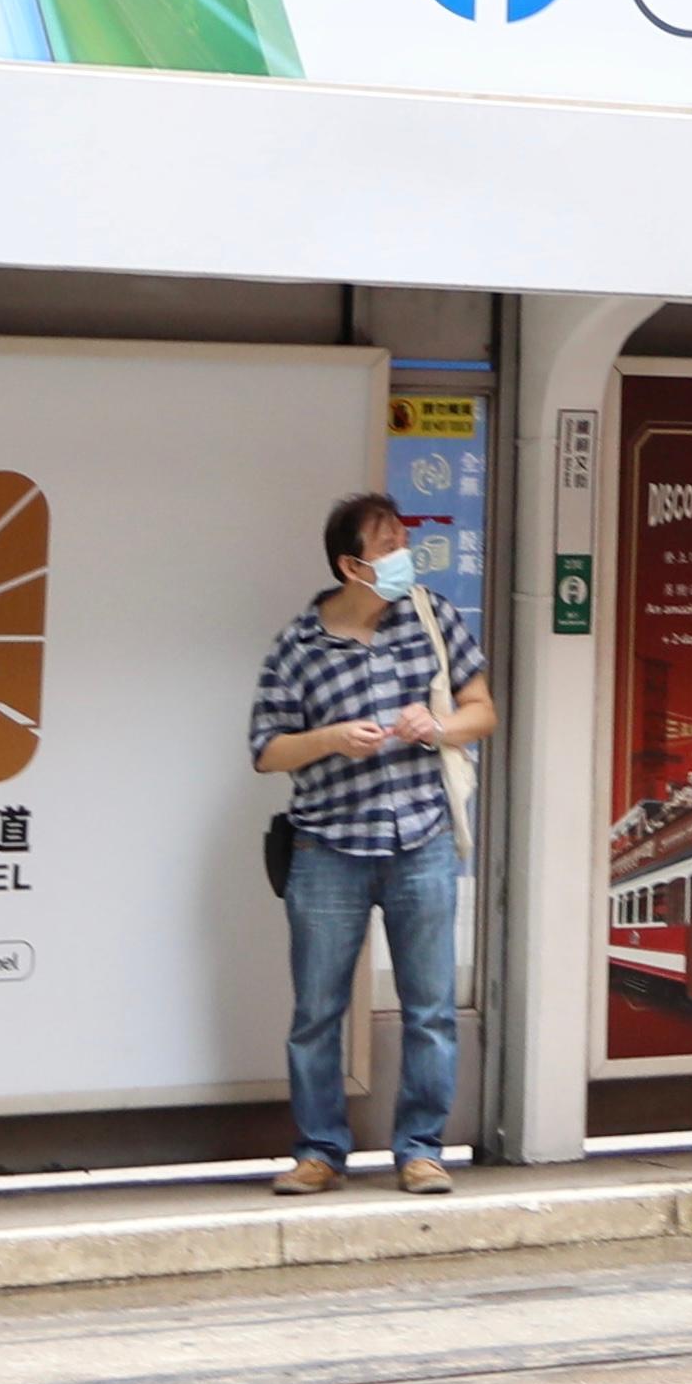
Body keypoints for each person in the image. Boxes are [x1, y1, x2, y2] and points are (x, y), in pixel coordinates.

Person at [247, 492, 493, 1197]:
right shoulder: (299, 643)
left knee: (431, 1006)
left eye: (402, 540)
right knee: (317, 1011)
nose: (402, 556)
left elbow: (484, 711)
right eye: (387, 545)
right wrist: (330, 738)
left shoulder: (433, 616)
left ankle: (420, 1148)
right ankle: (320, 1150)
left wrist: (439, 724)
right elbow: (266, 750)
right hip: (328, 846)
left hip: (423, 839)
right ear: (351, 564)